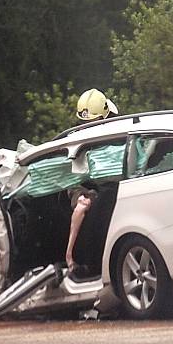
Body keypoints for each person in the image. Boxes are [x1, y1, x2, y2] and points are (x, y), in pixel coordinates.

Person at [66, 89, 119, 277]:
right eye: (85, 123)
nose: (88, 127)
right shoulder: (77, 141)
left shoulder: (117, 134)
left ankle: (92, 266)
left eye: (92, 123)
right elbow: (71, 178)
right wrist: (81, 195)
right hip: (88, 191)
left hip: (116, 191)